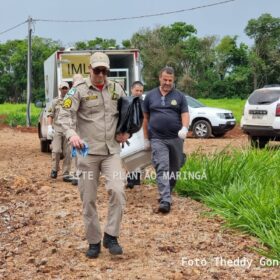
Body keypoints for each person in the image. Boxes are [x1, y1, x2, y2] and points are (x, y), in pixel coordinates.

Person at [58, 52, 129, 258]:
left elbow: (129, 113)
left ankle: (111, 235)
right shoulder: (77, 91)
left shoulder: (117, 88)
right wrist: (71, 135)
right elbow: (65, 115)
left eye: (104, 71)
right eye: (96, 70)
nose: (100, 74)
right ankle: (94, 241)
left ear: (107, 71)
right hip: (87, 153)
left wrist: (127, 131)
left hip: (111, 152)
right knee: (88, 199)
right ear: (89, 69)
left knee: (117, 190)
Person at [143, 66, 189, 214]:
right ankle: (165, 200)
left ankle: (167, 190)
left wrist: (185, 128)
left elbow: (185, 115)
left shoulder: (180, 96)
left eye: (170, 80)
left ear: (173, 80)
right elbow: (146, 118)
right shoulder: (150, 96)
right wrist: (145, 138)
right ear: (159, 78)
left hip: (176, 138)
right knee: (162, 167)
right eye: (165, 79)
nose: (167, 83)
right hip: (157, 138)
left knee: (175, 169)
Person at [47, 81, 73, 183]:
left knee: (68, 152)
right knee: (56, 150)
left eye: (66, 88)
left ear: (69, 89)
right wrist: (49, 127)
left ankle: (66, 173)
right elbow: (50, 114)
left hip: (68, 130)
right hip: (57, 129)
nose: (64, 90)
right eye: (63, 88)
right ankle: (54, 169)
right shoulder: (55, 102)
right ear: (59, 89)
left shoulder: (72, 101)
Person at [126, 81, 144, 189]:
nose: (138, 93)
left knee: (138, 155)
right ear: (132, 89)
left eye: (141, 91)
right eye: (137, 90)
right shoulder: (126, 102)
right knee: (129, 154)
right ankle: (130, 178)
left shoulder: (144, 103)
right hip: (129, 132)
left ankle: (135, 179)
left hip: (140, 131)